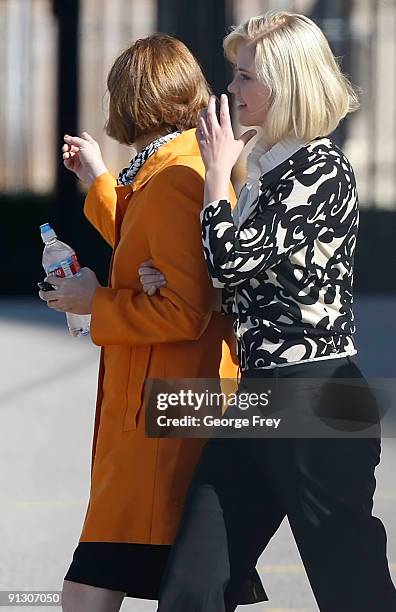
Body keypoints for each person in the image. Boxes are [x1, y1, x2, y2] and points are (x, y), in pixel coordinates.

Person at [140, 12, 396, 612]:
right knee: (193, 584)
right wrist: (167, 276)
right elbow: (235, 283)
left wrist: (213, 179)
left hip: (318, 398)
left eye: (247, 76)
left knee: (352, 586)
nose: (230, 88)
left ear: (287, 86)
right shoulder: (262, 170)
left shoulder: (321, 170)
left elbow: (231, 261)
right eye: (235, 73)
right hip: (257, 397)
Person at [38, 34, 265, 612]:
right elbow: (154, 251)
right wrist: (98, 180)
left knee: (88, 590)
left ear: (127, 101)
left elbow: (183, 308)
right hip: (163, 411)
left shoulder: (173, 177)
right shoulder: (173, 167)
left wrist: (98, 303)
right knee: (178, 588)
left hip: (158, 418)